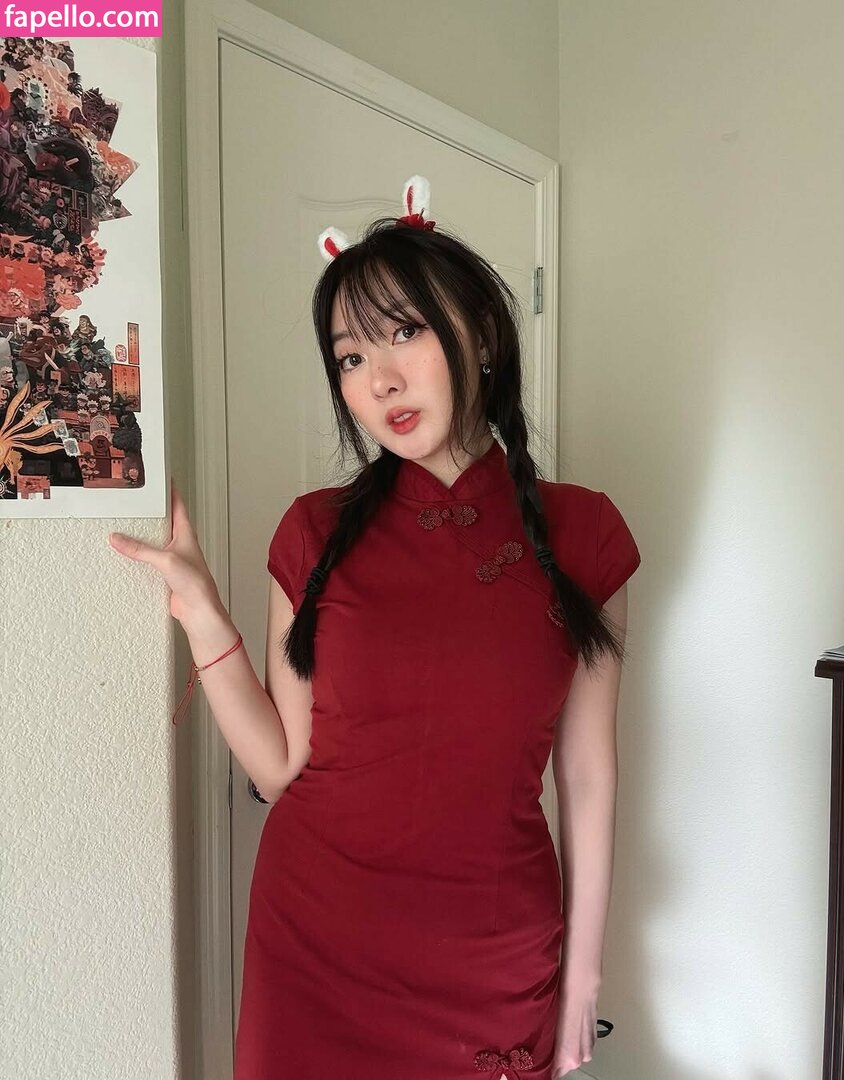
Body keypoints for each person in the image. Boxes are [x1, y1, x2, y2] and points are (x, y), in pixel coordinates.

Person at [106, 175, 641, 1079]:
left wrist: (583, 975)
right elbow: (280, 766)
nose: (379, 378)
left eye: (404, 332)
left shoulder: (584, 533)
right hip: (315, 947)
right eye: (350, 357)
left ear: (480, 332)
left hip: (493, 956)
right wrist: (200, 610)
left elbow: (587, 775)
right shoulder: (312, 532)